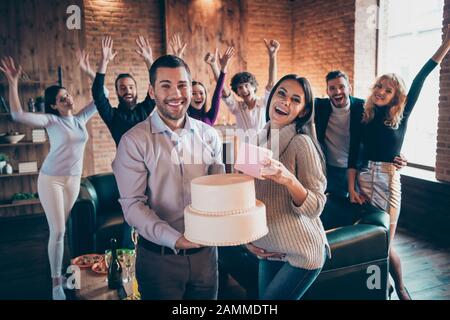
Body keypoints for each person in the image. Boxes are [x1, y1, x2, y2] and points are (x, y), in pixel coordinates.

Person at [347, 24, 450, 300]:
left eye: (389, 89)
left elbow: (421, 78)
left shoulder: (401, 115)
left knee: (384, 243)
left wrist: (446, 44)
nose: (382, 91)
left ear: (396, 96)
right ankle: (382, 291)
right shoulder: (362, 113)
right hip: (364, 179)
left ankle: (397, 288)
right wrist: (352, 186)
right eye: (379, 86)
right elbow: (351, 153)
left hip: (391, 181)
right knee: (372, 241)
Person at [112, 55, 225, 300]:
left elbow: (221, 193)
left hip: (207, 258)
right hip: (158, 260)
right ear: (152, 92)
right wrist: (177, 240)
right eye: (166, 85)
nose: (176, 93)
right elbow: (132, 206)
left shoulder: (210, 136)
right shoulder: (133, 141)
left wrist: (241, 235)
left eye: (182, 85)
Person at [0, 56, 101, 300]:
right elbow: (17, 114)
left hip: (73, 180)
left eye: (68, 95)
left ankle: (64, 274)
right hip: (51, 179)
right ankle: (56, 284)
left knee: (62, 230)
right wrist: (12, 82)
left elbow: (102, 95)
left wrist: (90, 71)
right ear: (54, 106)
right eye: (61, 98)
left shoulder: (80, 119)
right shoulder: (51, 120)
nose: (67, 98)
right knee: (57, 230)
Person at [245, 74, 329, 299]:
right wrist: (247, 240)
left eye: (295, 99)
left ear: (302, 111)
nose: (285, 102)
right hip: (269, 249)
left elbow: (316, 206)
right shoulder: (256, 139)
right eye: (281, 94)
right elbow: (247, 199)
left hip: (302, 253)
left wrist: (288, 179)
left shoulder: (301, 143)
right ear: (272, 97)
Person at [314, 71, 406, 229]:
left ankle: (371, 247)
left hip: (359, 170)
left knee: (358, 216)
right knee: (331, 214)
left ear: (349, 88)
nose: (337, 92)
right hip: (330, 169)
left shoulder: (363, 108)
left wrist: (396, 155)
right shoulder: (320, 106)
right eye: (332, 88)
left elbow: (385, 133)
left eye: (341, 87)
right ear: (327, 90)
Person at [206, 39, 280, 133]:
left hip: (265, 146)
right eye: (240, 87)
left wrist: (273, 55)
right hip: (246, 148)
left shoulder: (264, 103)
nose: (244, 89)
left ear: (253, 87)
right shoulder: (237, 107)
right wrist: (214, 65)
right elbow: (223, 90)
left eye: (246, 85)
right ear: (237, 92)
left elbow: (271, 83)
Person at [187, 46, 235, 126]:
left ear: (205, 96)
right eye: (193, 93)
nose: (198, 96)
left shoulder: (210, 117)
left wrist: (223, 67)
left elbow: (218, 93)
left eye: (201, 93)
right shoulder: (183, 118)